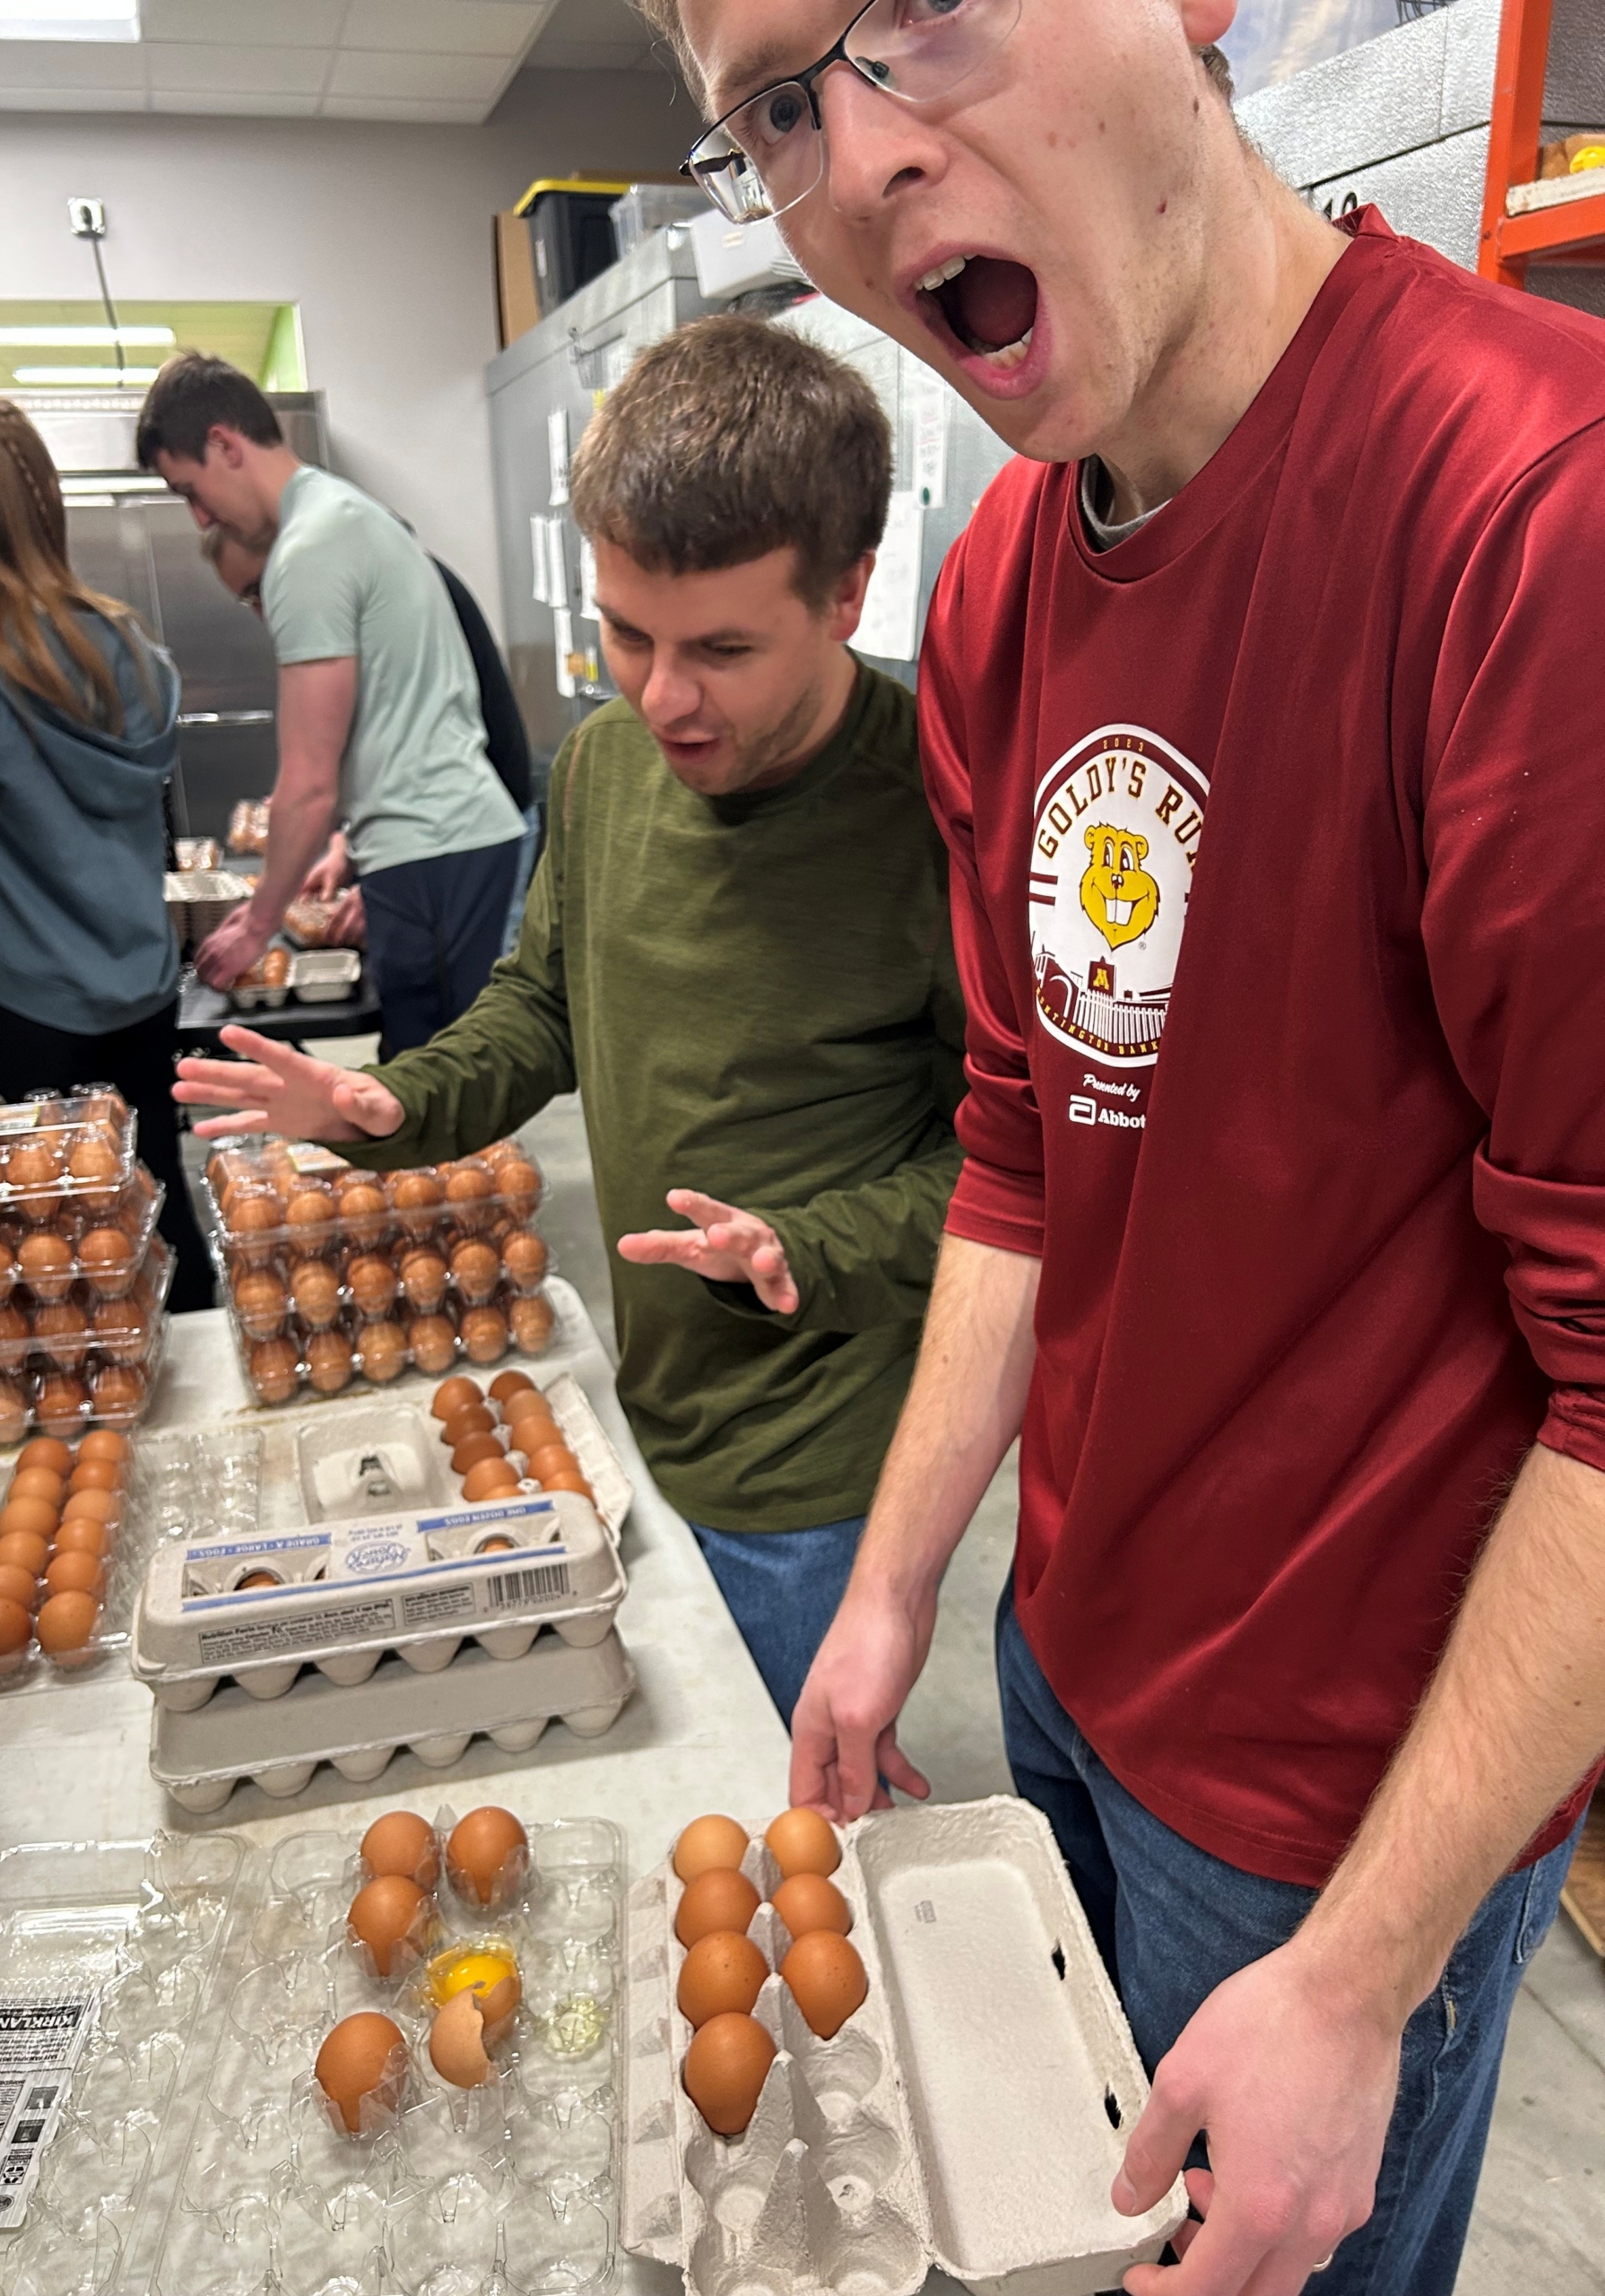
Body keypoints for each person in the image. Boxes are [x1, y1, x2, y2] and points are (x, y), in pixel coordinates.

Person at [653, 2, 1605, 2291]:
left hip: (1338, 1805)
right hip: (1065, 1662)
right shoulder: (995, 583)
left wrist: (1363, 1972)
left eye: (919, 20)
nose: (858, 153)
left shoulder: (1529, 512)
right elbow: (1022, 1152)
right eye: (776, 103)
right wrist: (898, 1595)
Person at [175, 316, 966, 1724]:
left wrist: (805, 1247)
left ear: (849, 593)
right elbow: (543, 1002)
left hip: (816, 1466)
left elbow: (1011, 1173)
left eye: (722, 647)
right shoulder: (605, 764)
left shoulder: (941, 812)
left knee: (785, 1819)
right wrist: (391, 1105)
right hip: (632, 1393)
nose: (663, 696)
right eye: (623, 632)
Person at [0, 389, 212, 1312]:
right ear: (46, 500)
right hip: (143, 988)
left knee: (43, 1244)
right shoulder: (130, 644)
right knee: (151, 1200)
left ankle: (89, 1432)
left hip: (23, 1001)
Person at [135, 354, 526, 1054]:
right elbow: (395, 719)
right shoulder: (346, 514)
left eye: (189, 490)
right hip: (442, 842)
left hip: (432, 850)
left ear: (226, 444)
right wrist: (347, 849)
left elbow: (308, 783)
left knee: (425, 1084)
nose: (198, 514)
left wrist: (258, 921)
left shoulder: (309, 549)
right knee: (430, 1075)